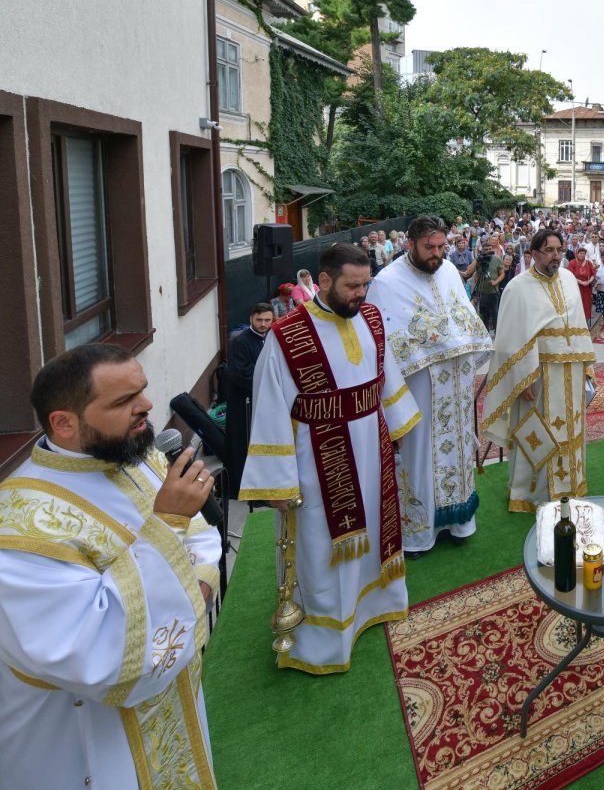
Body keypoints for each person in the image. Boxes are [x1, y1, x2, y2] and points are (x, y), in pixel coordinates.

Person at [0, 344, 221, 788]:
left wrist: (195, 582)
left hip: (173, 696)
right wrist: (169, 525)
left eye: (140, 390)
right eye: (123, 401)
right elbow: (94, 654)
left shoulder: (135, 455)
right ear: (63, 423)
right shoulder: (19, 528)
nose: (146, 406)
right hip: (90, 747)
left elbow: (199, 535)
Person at [239, 243, 421, 674]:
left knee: (376, 529)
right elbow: (269, 408)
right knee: (322, 547)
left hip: (372, 448)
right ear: (323, 282)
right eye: (352, 286)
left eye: (365, 284)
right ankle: (324, 637)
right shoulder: (288, 336)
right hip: (317, 460)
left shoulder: (372, 318)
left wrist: (398, 428)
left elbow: (383, 373)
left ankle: (374, 605)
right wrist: (278, 483)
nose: (361, 294)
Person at [367, 215, 493, 558]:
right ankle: (420, 533)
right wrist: (392, 413)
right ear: (410, 244)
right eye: (429, 248)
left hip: (455, 383)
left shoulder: (449, 270)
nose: (437, 254)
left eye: (441, 246)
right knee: (420, 459)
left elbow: (462, 317)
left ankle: (459, 524)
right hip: (417, 391)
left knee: (459, 450)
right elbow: (381, 351)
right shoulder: (386, 283)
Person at [480, 229, 595, 511]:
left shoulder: (568, 278)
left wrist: (586, 371)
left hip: (571, 373)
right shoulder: (518, 287)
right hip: (539, 377)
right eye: (550, 250)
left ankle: (571, 485)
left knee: (571, 432)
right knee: (540, 433)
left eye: (560, 249)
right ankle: (533, 493)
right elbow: (508, 340)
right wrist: (520, 380)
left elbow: (578, 327)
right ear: (534, 253)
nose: (557, 256)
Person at [225, 302, 275, 499]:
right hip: (244, 403)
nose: (263, 324)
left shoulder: (271, 338)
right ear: (251, 319)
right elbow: (240, 374)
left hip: (264, 401)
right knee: (243, 445)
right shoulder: (240, 342)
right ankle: (245, 489)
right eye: (259, 320)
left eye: (267, 320)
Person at [476, 236, 505, 334]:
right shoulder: (479, 260)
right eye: (485, 250)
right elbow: (475, 274)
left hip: (494, 292)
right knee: (484, 315)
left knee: (495, 314)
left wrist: (495, 282)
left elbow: (502, 274)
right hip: (482, 292)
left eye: (489, 249)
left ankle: (498, 335)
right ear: (482, 250)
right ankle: (486, 337)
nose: (488, 251)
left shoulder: (497, 259)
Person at [567, 243, 596, 323]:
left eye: (584, 253)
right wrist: (581, 282)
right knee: (577, 305)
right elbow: (571, 275)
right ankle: (577, 324)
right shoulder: (572, 263)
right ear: (577, 253)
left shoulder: (588, 263)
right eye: (580, 253)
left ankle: (586, 324)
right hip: (576, 287)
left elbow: (593, 273)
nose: (582, 255)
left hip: (587, 288)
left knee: (586, 305)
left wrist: (589, 281)